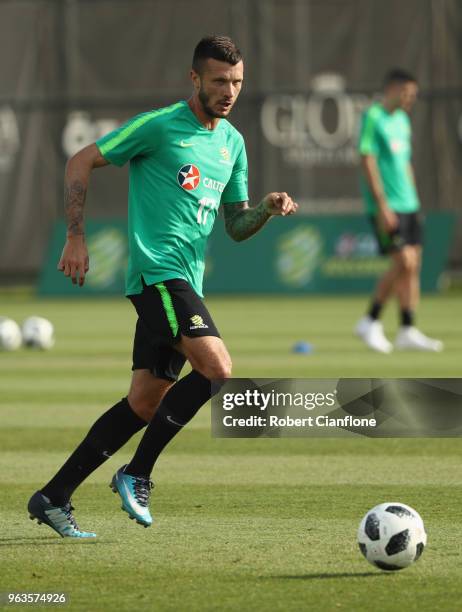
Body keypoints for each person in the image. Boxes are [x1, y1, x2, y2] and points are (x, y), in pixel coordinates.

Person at [27, 35, 298, 537]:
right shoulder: (160, 126)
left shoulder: (232, 143)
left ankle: (53, 496)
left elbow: (235, 226)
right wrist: (75, 235)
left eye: (237, 81)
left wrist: (265, 207)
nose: (229, 90)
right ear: (194, 79)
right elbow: (79, 160)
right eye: (219, 80)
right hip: (158, 275)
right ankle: (137, 472)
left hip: (185, 279)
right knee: (217, 370)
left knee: (145, 403)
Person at [355, 68, 443, 354]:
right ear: (393, 89)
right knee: (403, 261)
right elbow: (367, 158)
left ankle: (407, 329)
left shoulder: (403, 121)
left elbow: (405, 164)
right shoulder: (373, 117)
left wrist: (415, 202)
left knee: (413, 264)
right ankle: (370, 320)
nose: (410, 100)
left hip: (409, 204)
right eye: (407, 94)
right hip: (387, 206)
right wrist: (382, 206)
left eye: (413, 95)